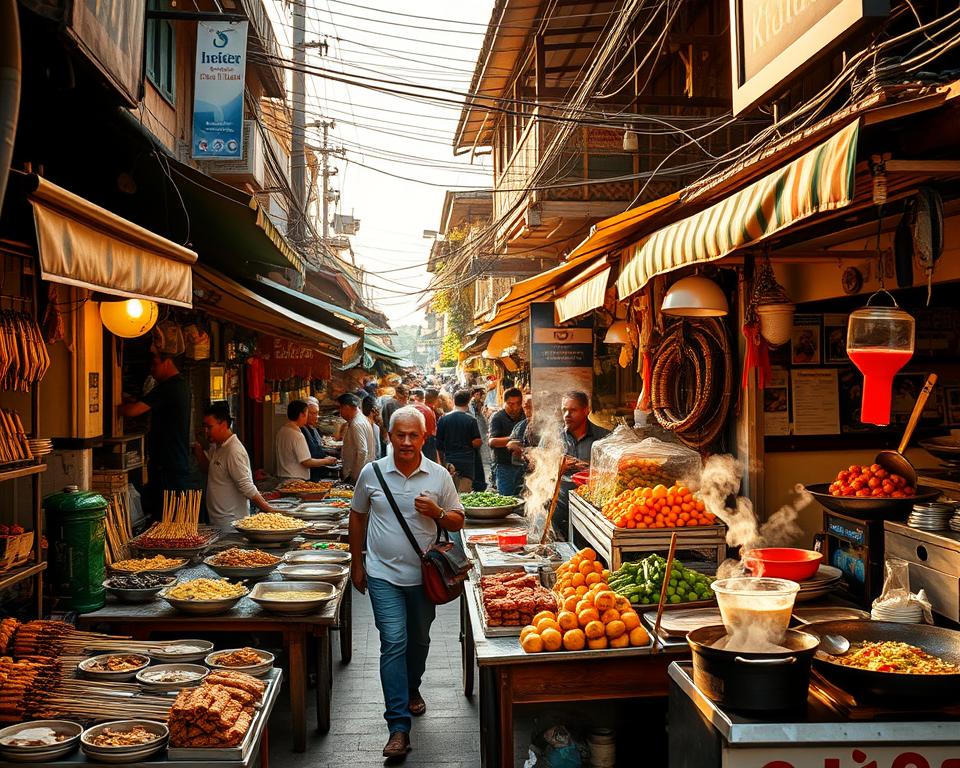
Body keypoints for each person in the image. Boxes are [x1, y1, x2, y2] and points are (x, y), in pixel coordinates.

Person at [348, 406, 465, 758]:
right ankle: (398, 727)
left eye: (414, 435)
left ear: (424, 438)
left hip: (423, 578)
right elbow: (357, 517)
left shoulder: (439, 476)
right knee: (394, 641)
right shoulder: (372, 473)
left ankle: (411, 687)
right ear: (389, 437)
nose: (406, 441)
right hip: (383, 575)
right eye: (400, 435)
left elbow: (458, 520)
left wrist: (439, 513)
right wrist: (358, 563)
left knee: (420, 639)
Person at [119, 351, 193, 513]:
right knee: (172, 521)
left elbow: (132, 411)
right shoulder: (182, 385)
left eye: (154, 364)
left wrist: (112, 404)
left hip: (168, 468)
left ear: (167, 362)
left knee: (166, 520)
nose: (151, 369)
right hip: (175, 465)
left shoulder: (169, 387)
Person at [193, 402, 277, 530]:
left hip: (232, 524)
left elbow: (247, 486)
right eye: (205, 427)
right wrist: (198, 450)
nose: (206, 431)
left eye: (209, 427)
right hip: (218, 521)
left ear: (224, 424)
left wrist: (271, 512)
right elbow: (208, 469)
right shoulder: (217, 447)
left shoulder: (234, 451)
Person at [554, 391, 610, 537]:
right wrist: (557, 466)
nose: (567, 414)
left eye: (573, 410)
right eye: (564, 410)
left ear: (586, 410)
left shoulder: (603, 438)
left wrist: (587, 468)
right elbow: (537, 465)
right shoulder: (554, 437)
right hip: (559, 508)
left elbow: (613, 473)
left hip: (592, 510)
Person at [276, 400, 337, 481]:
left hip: (283, 476)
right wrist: (326, 461)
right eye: (308, 413)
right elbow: (306, 462)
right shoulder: (297, 435)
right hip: (296, 478)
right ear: (302, 415)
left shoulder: (282, 430)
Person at [436, 390, 482, 491]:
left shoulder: (443, 419)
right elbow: (477, 442)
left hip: (448, 461)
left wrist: (442, 463)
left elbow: (438, 445)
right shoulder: (471, 420)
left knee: (449, 493)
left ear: (453, 400)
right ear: (468, 402)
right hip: (466, 462)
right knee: (464, 495)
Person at [488, 387, 525, 496]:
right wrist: (513, 440)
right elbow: (492, 442)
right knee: (506, 498)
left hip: (523, 465)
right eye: (510, 404)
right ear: (504, 403)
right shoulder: (498, 417)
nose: (515, 407)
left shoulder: (525, 414)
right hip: (504, 466)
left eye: (518, 403)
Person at [339, 393, 377, 484]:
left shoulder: (357, 424)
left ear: (347, 408)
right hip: (362, 474)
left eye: (340, 408)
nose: (340, 411)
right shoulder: (360, 420)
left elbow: (362, 451)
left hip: (358, 477)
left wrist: (354, 476)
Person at [301, 397, 338, 481]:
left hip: (318, 472)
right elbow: (307, 458)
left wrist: (326, 457)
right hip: (309, 475)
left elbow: (317, 447)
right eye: (313, 413)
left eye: (317, 413)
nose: (316, 416)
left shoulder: (312, 427)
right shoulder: (301, 430)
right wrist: (325, 460)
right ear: (305, 413)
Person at [408, 389, 439, 462]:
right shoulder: (428, 411)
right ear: (436, 399)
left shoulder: (414, 407)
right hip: (426, 441)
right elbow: (431, 431)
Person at [469, 386, 490, 491]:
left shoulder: (478, 402)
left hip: (480, 424)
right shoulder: (472, 403)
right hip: (478, 424)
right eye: (477, 394)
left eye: (480, 394)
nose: (479, 396)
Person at [362, 395, 383, 459]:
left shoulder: (375, 426)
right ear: (373, 410)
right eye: (378, 408)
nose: (379, 412)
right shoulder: (368, 425)